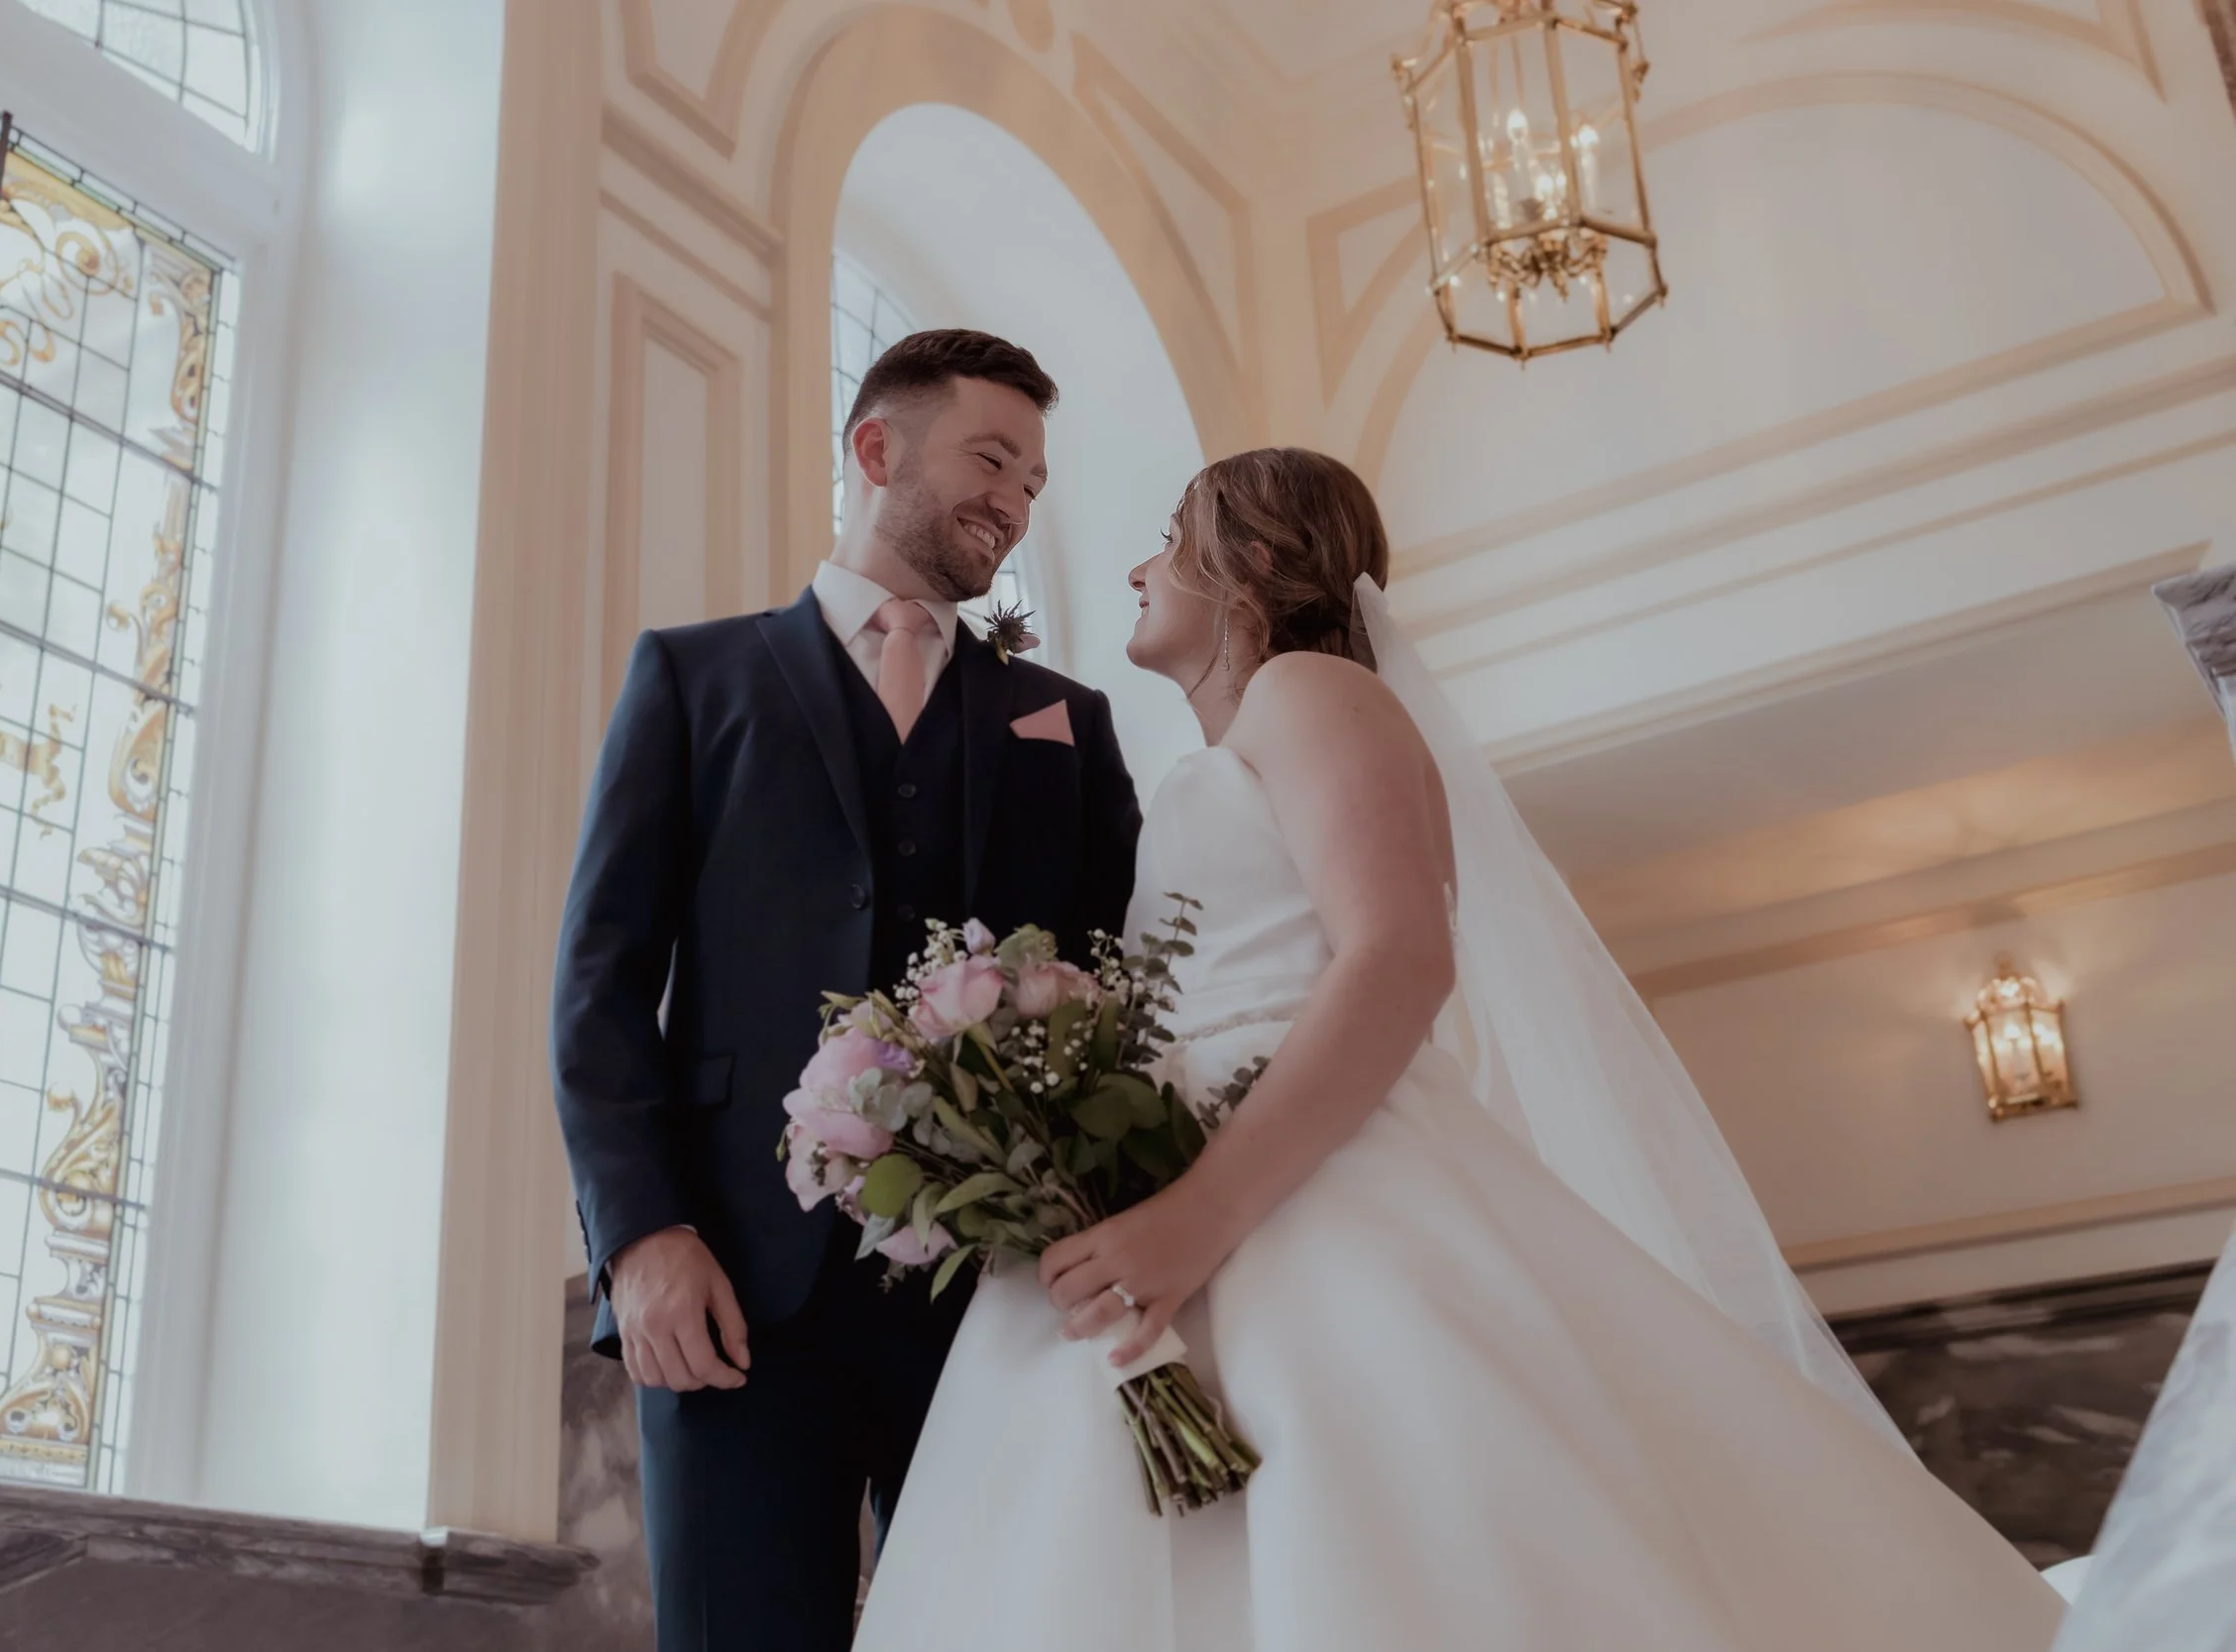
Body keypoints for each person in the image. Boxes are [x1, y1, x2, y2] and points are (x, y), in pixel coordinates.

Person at [852, 447, 2068, 1650]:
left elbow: (1397, 958)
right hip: (1188, 1167)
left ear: (1254, 564)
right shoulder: (1242, 739)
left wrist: (1199, 1215)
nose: (1136, 565)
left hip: (1288, 1184)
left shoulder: (1312, 692)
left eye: (1170, 537)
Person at [550, 330, 1144, 1651]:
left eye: (1036, 482)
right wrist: (639, 1235)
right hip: (733, 1289)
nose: (1016, 499)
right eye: (993, 458)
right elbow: (598, 985)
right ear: (876, 450)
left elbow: (1124, 993)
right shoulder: (692, 678)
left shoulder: (1067, 720)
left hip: (996, 1298)